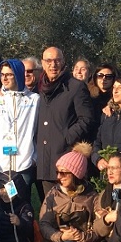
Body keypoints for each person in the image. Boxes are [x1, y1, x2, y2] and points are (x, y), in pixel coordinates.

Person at [35, 47, 95, 198]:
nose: (53, 65)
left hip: (67, 161)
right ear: (43, 63)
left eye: (57, 60)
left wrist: (66, 138)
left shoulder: (76, 87)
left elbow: (87, 119)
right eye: (49, 61)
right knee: (48, 210)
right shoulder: (39, 89)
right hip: (44, 163)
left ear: (63, 62)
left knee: (69, 210)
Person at [36, 148, 99, 242]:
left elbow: (98, 227)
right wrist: (61, 236)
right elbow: (44, 224)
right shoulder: (53, 194)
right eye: (58, 172)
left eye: (64, 172)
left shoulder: (92, 196)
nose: (59, 176)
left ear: (76, 174)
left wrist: (81, 236)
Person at [0, 59, 39, 193]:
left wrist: (35, 157)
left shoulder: (34, 100)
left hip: (23, 164)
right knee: (2, 203)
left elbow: (39, 131)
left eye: (9, 74)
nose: (4, 78)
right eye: (2, 74)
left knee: (21, 203)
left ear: (18, 74)